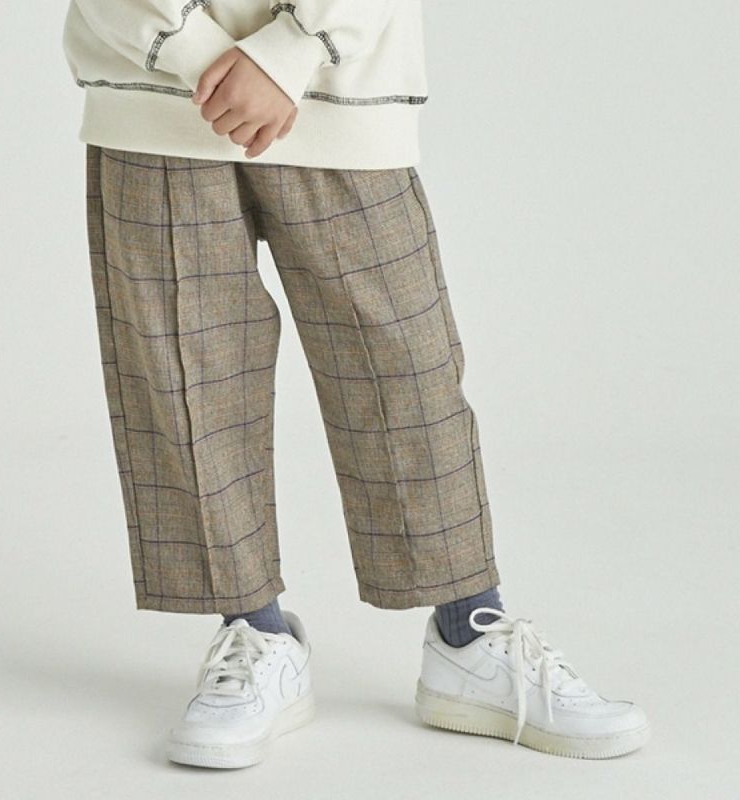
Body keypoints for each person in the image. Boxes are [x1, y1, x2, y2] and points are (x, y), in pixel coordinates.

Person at [61, 0, 650, 768]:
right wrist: (200, 55)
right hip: (153, 95)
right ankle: (255, 634)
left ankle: (469, 635)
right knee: (184, 375)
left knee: (405, 367)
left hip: (342, 85)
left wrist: (291, 49)